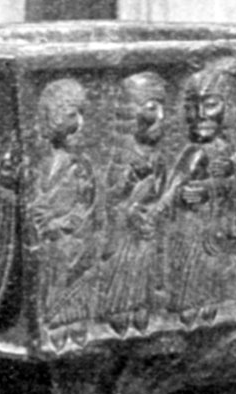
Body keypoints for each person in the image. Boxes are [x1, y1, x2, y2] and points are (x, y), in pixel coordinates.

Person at [161, 65, 236, 327]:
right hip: (192, 226)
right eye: (193, 107)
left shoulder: (226, 150)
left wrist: (215, 187)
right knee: (192, 267)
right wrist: (184, 194)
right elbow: (174, 189)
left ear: (228, 107)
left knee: (212, 267)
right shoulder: (193, 152)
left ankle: (208, 306)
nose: (201, 114)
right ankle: (189, 307)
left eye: (211, 104)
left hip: (216, 228)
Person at [98, 71, 168, 335]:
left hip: (146, 229)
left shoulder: (156, 155)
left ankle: (141, 308)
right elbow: (113, 199)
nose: (161, 117)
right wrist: (131, 189)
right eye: (152, 108)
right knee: (125, 268)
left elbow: (160, 191)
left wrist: (152, 207)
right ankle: (120, 310)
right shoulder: (124, 155)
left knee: (145, 268)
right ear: (132, 112)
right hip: (126, 234)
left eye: (162, 109)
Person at [29, 77, 98, 343]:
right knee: (52, 279)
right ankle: (55, 323)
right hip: (50, 239)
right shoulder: (46, 162)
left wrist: (64, 223)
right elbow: (37, 199)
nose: (80, 123)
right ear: (54, 117)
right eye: (72, 115)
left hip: (71, 238)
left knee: (73, 276)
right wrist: (44, 220)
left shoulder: (80, 165)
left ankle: (73, 324)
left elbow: (86, 203)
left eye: (82, 115)